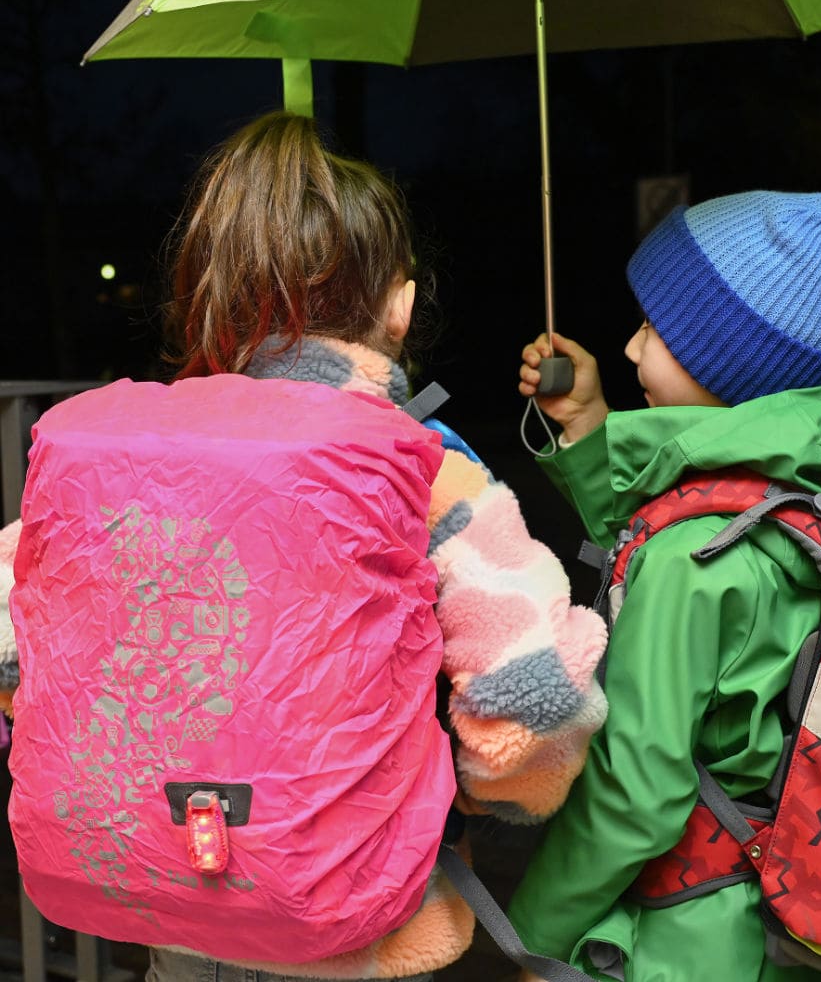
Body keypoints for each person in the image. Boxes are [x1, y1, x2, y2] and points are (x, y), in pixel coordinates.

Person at [0, 111, 608, 982]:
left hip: (170, 911)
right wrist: (460, 794)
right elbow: (539, 701)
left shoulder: (116, 459)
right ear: (399, 305)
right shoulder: (424, 473)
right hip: (364, 925)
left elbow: (12, 643)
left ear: (208, 290)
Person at [509, 188, 821, 982]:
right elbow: (679, 511)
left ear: (725, 355)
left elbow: (635, 801)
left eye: (657, 330)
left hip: (692, 940)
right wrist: (587, 423)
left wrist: (530, 932)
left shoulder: (692, 564)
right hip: (789, 912)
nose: (631, 346)